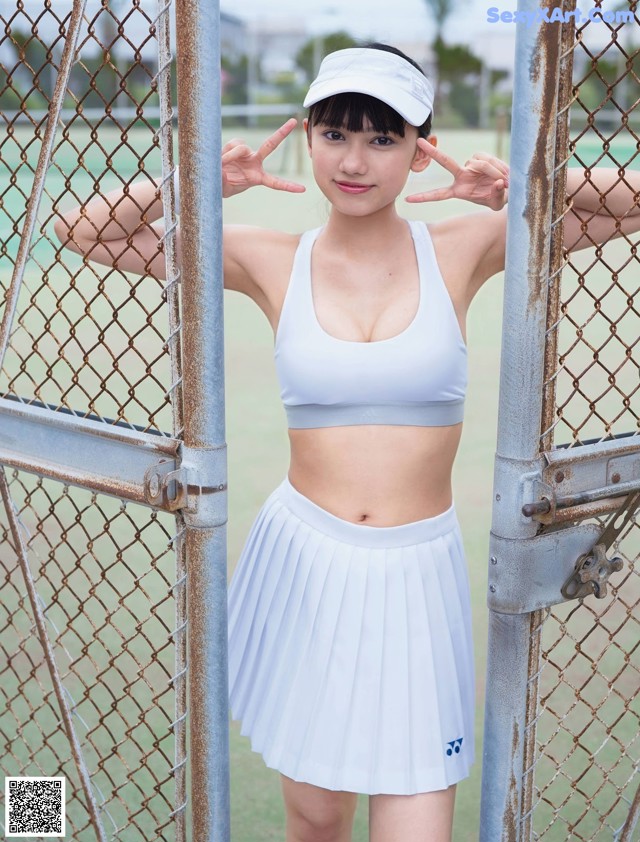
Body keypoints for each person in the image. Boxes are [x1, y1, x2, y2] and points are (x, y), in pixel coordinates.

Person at [54, 42, 640, 842]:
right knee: (319, 818)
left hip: (416, 575)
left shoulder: (464, 245)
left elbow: (633, 202)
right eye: (335, 134)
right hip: (307, 564)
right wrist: (195, 184)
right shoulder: (268, 255)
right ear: (308, 138)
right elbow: (80, 231)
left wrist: (525, 187)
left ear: (418, 147)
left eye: (381, 138)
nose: (354, 161)